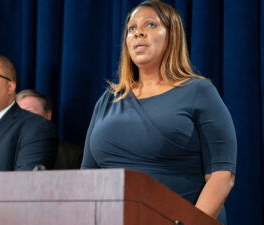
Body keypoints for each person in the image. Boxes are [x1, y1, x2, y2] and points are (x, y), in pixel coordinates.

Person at [81, 1, 236, 224]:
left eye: (151, 25)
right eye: (131, 28)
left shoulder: (199, 92)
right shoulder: (108, 99)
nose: (138, 33)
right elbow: (88, 175)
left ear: (172, 36)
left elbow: (222, 175)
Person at [16, 89, 83, 169]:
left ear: (48, 115)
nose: (21, 119)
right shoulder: (2, 151)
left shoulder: (72, 155)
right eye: (17, 114)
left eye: (29, 113)